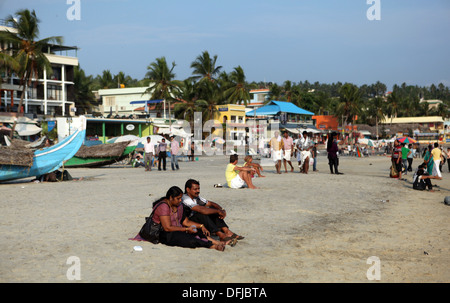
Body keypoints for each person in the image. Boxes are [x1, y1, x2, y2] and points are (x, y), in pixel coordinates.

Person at [151, 186, 226, 251]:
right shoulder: (163, 206)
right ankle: (212, 246)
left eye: (181, 198)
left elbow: (185, 222)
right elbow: (167, 228)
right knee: (188, 239)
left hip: (177, 229)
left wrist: (201, 226)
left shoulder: (179, 205)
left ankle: (216, 242)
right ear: (171, 198)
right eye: (178, 198)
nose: (180, 200)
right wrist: (186, 229)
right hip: (163, 234)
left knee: (197, 231)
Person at [182, 179, 243, 244]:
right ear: (188, 190)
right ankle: (220, 235)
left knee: (212, 209)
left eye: (198, 189)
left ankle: (227, 231)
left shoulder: (196, 197)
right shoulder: (185, 198)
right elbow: (200, 209)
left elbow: (210, 203)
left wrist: (221, 210)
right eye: (195, 189)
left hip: (196, 220)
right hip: (188, 222)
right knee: (202, 213)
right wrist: (218, 211)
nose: (198, 191)